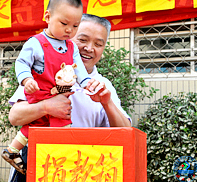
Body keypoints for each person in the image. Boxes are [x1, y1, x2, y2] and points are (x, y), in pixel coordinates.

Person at [7, 14, 132, 182]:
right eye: (83, 39)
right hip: (37, 167)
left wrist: (107, 103)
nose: (89, 48)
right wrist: (45, 107)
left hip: (79, 170)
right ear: (69, 37)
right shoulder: (43, 71)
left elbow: (127, 133)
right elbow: (15, 116)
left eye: (98, 44)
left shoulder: (103, 85)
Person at [1, 0, 93, 175]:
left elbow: (80, 70)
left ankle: (12, 150)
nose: (69, 30)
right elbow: (21, 62)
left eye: (75, 26)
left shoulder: (72, 46)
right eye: (64, 23)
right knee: (62, 122)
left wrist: (86, 83)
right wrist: (26, 79)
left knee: (35, 125)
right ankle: (63, 156)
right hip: (39, 91)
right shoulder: (36, 42)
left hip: (57, 93)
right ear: (47, 16)